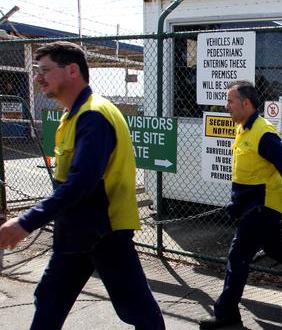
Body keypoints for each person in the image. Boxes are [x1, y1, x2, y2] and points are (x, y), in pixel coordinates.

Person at [0, 41, 164, 330]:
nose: (38, 77)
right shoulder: (73, 115)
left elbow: (81, 183)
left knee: (136, 310)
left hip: (103, 231)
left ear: (72, 70)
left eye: (45, 70)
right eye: (37, 70)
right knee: (50, 299)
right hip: (77, 230)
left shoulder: (93, 115)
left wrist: (27, 221)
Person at [200, 81, 282, 329]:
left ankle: (226, 311)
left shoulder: (263, 132)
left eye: (230, 101)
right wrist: (279, 192)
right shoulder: (243, 129)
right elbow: (262, 171)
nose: (226, 106)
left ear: (246, 103)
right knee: (276, 250)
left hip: (260, 208)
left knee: (238, 255)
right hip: (254, 204)